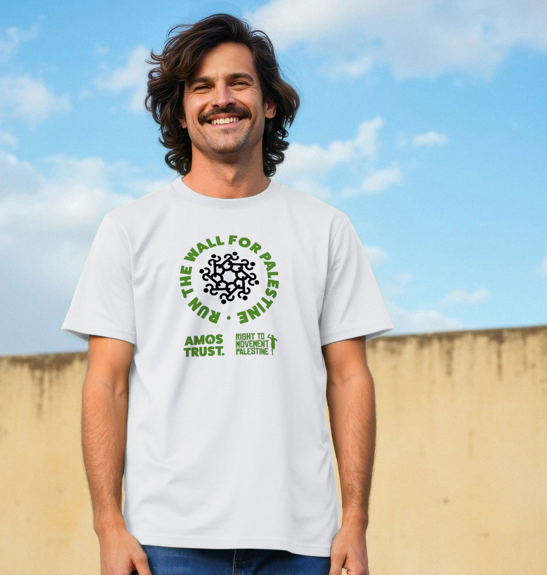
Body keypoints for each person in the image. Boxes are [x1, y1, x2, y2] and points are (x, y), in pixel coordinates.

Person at [62, 13, 394, 575]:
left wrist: (355, 522)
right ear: (182, 111)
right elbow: (106, 383)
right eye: (202, 87)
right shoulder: (129, 229)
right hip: (166, 541)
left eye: (239, 83)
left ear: (268, 103)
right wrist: (108, 525)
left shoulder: (325, 228)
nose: (222, 99)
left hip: (302, 540)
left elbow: (349, 377)